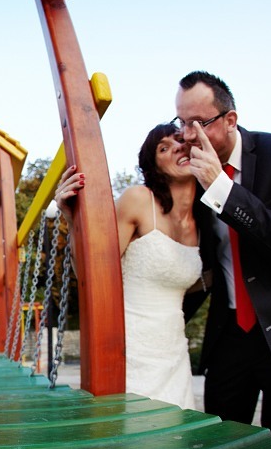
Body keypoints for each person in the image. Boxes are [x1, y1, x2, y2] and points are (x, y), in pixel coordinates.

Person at [174, 71, 271, 438]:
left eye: (199, 122)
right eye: (181, 122)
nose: (189, 135)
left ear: (230, 120)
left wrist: (222, 189)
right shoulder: (187, 173)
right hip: (229, 334)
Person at [55, 123, 203, 410]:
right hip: (131, 348)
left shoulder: (204, 219)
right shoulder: (138, 200)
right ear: (154, 166)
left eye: (179, 139)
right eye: (164, 147)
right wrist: (72, 219)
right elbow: (91, 274)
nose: (177, 146)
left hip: (173, 350)